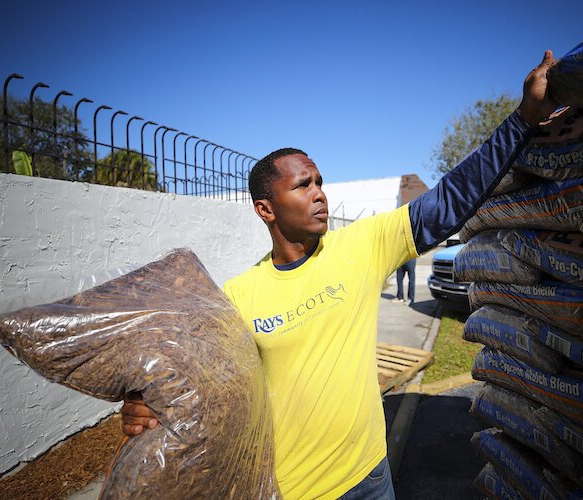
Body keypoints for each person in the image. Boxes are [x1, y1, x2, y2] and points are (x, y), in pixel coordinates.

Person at [121, 50, 558, 499]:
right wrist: (145, 403)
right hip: (295, 490)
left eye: (320, 181)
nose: (320, 194)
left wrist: (523, 118)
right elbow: (197, 379)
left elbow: (448, 199)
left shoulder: (362, 246)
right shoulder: (239, 296)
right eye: (302, 185)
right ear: (265, 208)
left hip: (371, 475)